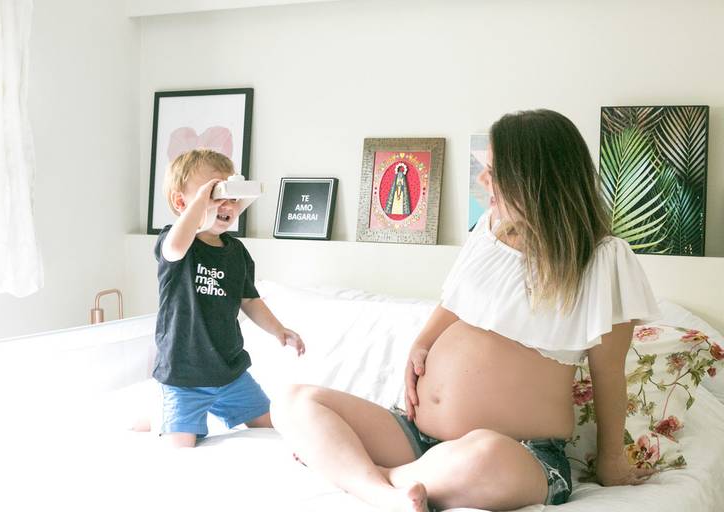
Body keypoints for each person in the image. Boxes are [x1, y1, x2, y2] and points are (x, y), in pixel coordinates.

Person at [272, 109, 659, 511]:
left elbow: (608, 373)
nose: (481, 180)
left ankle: (364, 474)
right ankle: (385, 493)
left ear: (533, 177)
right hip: (415, 435)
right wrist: (421, 343)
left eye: (492, 171)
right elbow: (455, 301)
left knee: (484, 455)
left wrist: (612, 461)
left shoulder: (603, 260)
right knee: (293, 401)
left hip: (520, 453)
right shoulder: (489, 230)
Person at [153, 149, 305, 448]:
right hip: (183, 376)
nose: (225, 204)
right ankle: (156, 417)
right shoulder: (177, 243)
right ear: (182, 202)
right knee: (180, 448)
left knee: (274, 428)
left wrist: (279, 329)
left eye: (231, 195)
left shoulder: (236, 253)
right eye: (213, 193)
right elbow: (174, 249)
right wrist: (199, 206)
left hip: (230, 373)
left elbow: (249, 300)